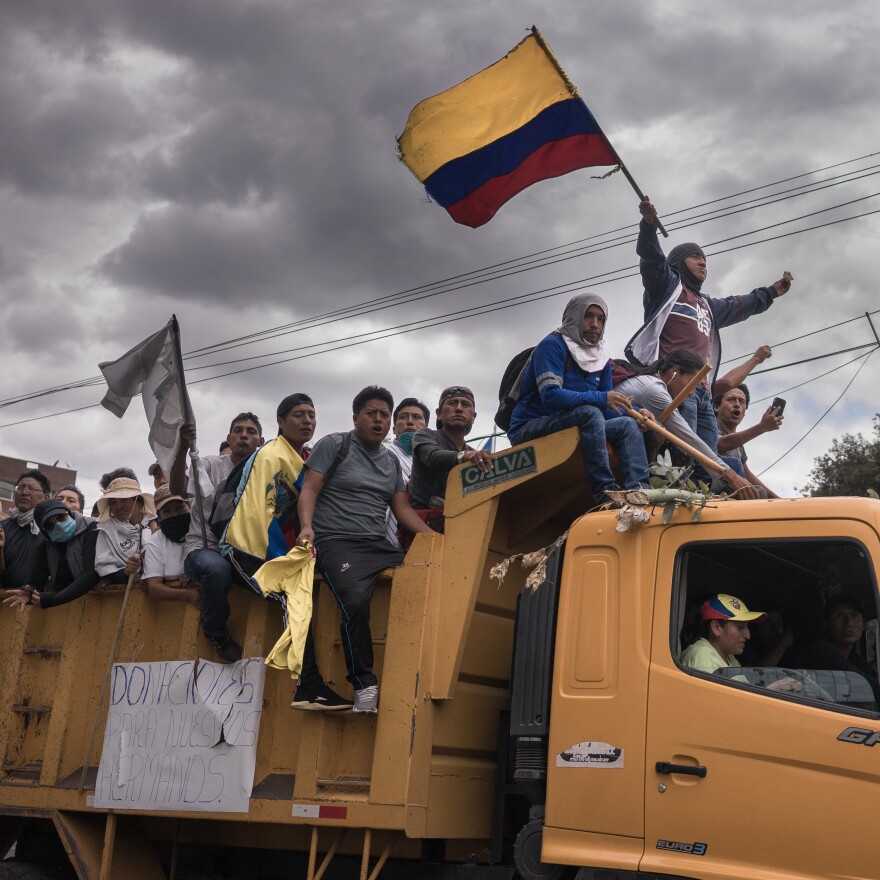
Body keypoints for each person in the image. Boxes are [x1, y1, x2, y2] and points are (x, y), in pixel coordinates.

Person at [296, 386, 433, 714]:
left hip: (377, 545)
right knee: (355, 601)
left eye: (385, 415)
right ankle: (364, 684)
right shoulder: (335, 445)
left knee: (427, 577)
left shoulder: (391, 462)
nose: (379, 419)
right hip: (336, 542)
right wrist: (306, 527)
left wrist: (434, 538)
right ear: (356, 417)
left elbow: (402, 510)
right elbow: (309, 490)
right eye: (372, 413)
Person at [626, 197, 793, 464]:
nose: (703, 263)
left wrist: (771, 292)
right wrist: (648, 226)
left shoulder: (707, 306)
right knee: (683, 453)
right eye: (695, 257)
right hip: (679, 386)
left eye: (705, 259)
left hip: (704, 391)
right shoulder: (666, 289)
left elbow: (741, 305)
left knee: (709, 459)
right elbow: (651, 259)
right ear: (678, 262)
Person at [508, 294, 651, 504]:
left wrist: (637, 413)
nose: (595, 325)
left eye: (601, 319)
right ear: (574, 317)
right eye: (588, 317)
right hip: (530, 427)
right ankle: (605, 491)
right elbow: (551, 396)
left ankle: (640, 493)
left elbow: (607, 405)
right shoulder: (552, 346)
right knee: (590, 412)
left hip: (579, 423)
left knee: (627, 425)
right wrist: (601, 398)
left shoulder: (600, 356)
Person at [170, 412, 265, 663]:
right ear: (229, 438)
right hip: (204, 548)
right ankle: (215, 632)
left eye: (251, 431)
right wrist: (182, 448)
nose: (244, 435)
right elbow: (178, 490)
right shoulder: (209, 465)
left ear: (261, 441)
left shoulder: (265, 473)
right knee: (216, 569)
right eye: (238, 430)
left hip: (245, 553)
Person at [613, 349, 758, 498]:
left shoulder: (656, 386)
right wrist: (728, 474)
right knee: (689, 455)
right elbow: (687, 438)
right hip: (620, 434)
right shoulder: (655, 391)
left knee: (732, 465)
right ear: (674, 371)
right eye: (691, 384)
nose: (691, 393)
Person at [2, 498, 99, 611]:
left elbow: (91, 575)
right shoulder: (45, 544)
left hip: (97, 604)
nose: (58, 525)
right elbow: (35, 580)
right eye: (49, 524)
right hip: (66, 611)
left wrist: (51, 600)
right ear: (44, 532)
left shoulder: (92, 527)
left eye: (60, 517)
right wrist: (29, 592)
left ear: (68, 512)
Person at [410, 388, 492, 513]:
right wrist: (465, 456)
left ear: (473, 417)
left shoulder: (474, 455)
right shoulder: (425, 435)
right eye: (452, 403)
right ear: (439, 413)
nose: (459, 408)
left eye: (465, 404)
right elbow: (433, 456)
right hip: (424, 525)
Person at [799, 594, 880, 699]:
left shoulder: (853, 657)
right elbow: (868, 685)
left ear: (864, 625)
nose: (849, 623)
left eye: (855, 616)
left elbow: (873, 678)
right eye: (840, 616)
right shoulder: (821, 651)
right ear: (825, 624)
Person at [714, 384, 782, 499]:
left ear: (745, 411)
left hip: (730, 495)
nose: (737, 404)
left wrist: (781, 501)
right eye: (731, 399)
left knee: (758, 491)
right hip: (710, 492)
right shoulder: (710, 426)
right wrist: (762, 427)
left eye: (741, 401)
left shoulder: (738, 443)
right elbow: (720, 444)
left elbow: (748, 476)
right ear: (716, 407)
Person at [681, 593, 766, 677]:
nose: (748, 635)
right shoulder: (702, 655)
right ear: (716, 628)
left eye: (747, 627)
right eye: (740, 627)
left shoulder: (731, 659)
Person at [141, 485, 199, 607]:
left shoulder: (202, 530)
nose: (174, 515)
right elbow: (153, 587)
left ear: (189, 506)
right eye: (167, 511)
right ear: (159, 516)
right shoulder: (154, 541)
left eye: (179, 508)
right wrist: (189, 595)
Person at [385, 397, 429, 547]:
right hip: (383, 539)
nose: (410, 421)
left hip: (422, 537)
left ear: (427, 429)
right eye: (403, 417)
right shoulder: (382, 453)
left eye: (417, 417)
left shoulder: (433, 460)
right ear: (393, 429)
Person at [94, 477, 155, 583]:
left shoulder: (156, 525)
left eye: (124, 500)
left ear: (139, 502)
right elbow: (104, 566)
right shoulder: (106, 530)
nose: (119, 506)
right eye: (113, 502)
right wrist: (125, 573)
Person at [0, 470, 51, 590]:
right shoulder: (3, 527)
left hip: (39, 602)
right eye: (21, 487)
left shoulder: (51, 528)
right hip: (6, 600)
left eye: (32, 489)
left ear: (46, 497)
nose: (24, 492)